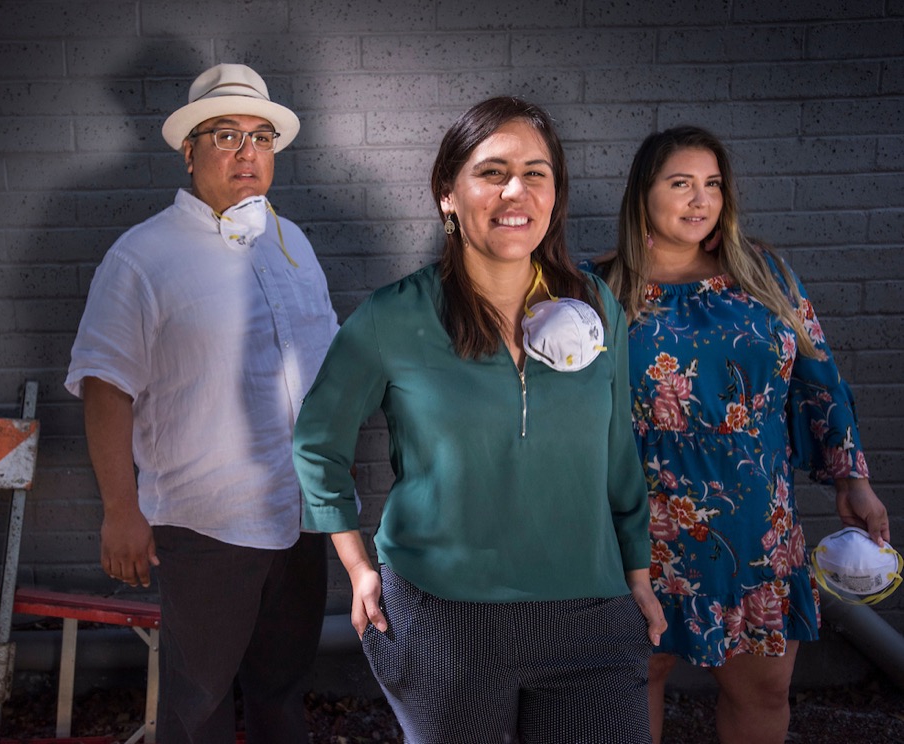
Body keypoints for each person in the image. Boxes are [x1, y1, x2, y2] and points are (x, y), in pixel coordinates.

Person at [292, 96, 666, 744]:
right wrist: (357, 567)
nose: (515, 189)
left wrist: (637, 571)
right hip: (443, 624)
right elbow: (316, 443)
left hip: (591, 621)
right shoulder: (391, 317)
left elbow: (617, 450)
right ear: (447, 193)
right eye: (492, 171)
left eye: (536, 172)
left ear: (555, 195)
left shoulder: (595, 303)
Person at [587, 125, 891, 744]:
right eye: (681, 184)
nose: (700, 200)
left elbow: (820, 382)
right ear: (642, 194)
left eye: (713, 185)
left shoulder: (766, 276)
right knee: (632, 679)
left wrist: (853, 482)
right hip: (635, 525)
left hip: (755, 524)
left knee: (764, 687)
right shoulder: (596, 290)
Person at [65, 63, 339, 744]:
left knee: (282, 693)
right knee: (199, 708)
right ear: (190, 152)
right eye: (225, 136)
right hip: (206, 525)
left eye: (261, 136)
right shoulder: (143, 257)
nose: (248, 153)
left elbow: (330, 367)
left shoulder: (291, 242)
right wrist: (121, 510)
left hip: (298, 515)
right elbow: (105, 386)